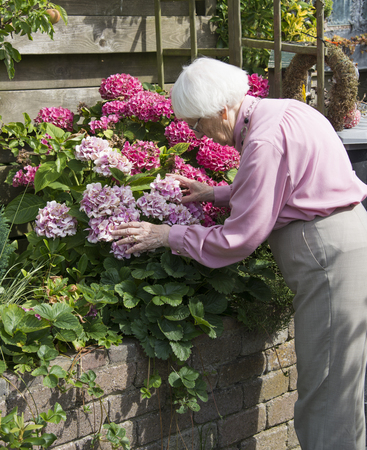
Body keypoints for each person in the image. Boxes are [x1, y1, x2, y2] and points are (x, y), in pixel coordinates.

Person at [110, 57, 367, 450]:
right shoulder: (285, 111)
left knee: (327, 394)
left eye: (198, 122)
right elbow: (289, 181)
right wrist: (214, 192)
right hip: (344, 243)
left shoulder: (263, 140)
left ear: (223, 109)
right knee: (341, 390)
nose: (200, 134)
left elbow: (240, 238)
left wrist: (167, 234)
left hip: (326, 260)